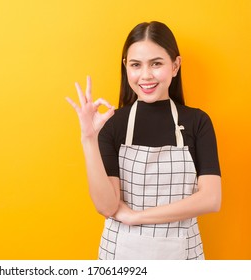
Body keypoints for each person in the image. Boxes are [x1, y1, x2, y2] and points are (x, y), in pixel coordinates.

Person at [66, 21, 221, 260]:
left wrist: (137, 217)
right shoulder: (112, 124)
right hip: (118, 257)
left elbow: (211, 199)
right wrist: (89, 138)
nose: (146, 75)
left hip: (183, 256)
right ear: (126, 67)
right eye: (136, 65)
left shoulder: (197, 122)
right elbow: (107, 206)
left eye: (156, 64)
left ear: (175, 65)